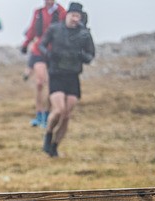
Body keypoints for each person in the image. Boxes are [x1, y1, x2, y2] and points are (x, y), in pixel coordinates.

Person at [40, 2, 95, 157]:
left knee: (67, 115)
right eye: (73, 15)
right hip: (56, 74)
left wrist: (81, 56)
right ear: (67, 15)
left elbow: (91, 55)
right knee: (59, 110)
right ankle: (48, 134)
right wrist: (50, 55)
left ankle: (54, 147)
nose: (75, 19)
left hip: (73, 76)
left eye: (78, 16)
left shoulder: (84, 34)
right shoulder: (55, 29)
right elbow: (42, 45)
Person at [21, 0, 67, 127]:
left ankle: (47, 113)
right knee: (40, 82)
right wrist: (26, 44)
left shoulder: (62, 12)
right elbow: (32, 30)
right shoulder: (38, 12)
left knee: (51, 83)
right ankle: (39, 114)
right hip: (38, 50)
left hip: (54, 52)